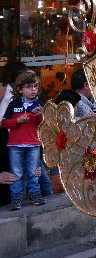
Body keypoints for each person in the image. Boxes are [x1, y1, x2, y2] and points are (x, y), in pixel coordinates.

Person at [2, 70, 45, 210]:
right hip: (15, 144)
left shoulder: (39, 104)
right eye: (28, 86)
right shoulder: (13, 104)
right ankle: (16, 199)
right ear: (20, 89)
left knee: (33, 171)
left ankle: (35, 195)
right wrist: (17, 121)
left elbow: (44, 126)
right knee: (17, 173)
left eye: (35, 86)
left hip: (33, 144)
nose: (33, 90)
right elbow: (3, 123)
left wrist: (41, 117)